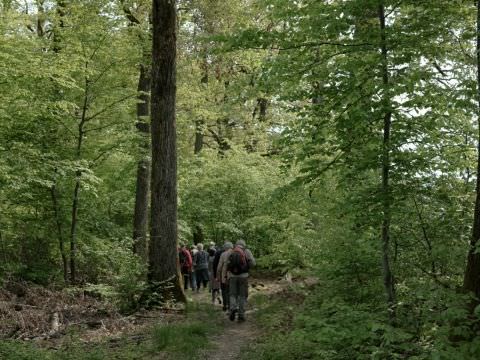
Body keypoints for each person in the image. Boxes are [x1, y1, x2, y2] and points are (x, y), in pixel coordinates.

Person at [227, 239, 255, 322]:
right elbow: (253, 263)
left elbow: (227, 264)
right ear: (244, 245)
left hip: (232, 276)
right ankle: (241, 315)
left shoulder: (231, 252)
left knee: (232, 294)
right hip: (243, 276)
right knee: (242, 295)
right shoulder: (247, 251)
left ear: (236, 245)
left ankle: (232, 308)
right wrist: (247, 267)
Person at [216, 241, 233, 311]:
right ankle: (231, 306)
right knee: (231, 291)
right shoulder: (235, 252)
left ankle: (225, 305)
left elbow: (219, 267)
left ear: (225, 247)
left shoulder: (223, 254)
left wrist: (218, 276)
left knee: (224, 291)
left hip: (224, 276)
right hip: (233, 275)